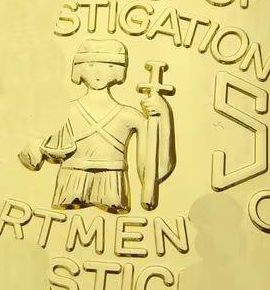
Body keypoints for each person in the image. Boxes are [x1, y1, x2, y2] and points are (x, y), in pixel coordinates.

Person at [18, 39, 174, 213]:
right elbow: (33, 158)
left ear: (118, 71)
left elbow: (152, 169)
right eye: (91, 65)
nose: (99, 72)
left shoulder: (130, 116)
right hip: (71, 185)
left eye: (109, 66)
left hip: (112, 188)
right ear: (79, 69)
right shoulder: (65, 111)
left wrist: (163, 113)